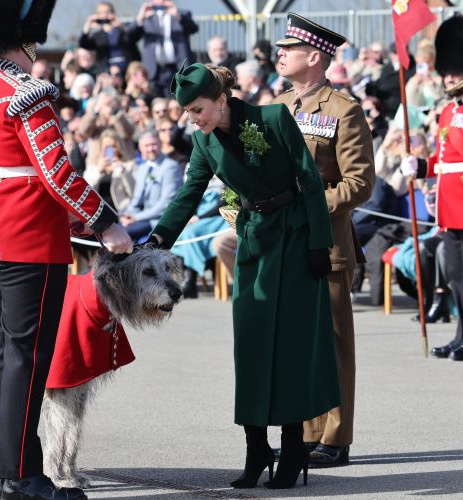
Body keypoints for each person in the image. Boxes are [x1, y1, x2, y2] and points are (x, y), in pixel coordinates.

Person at [0, 2, 131, 499]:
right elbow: (55, 173)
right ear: (25, 39)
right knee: (27, 357)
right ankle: (22, 478)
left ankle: (8, 473)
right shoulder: (24, 94)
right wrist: (105, 222)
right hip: (27, 238)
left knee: (6, 354)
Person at [147, 62, 340, 490]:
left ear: (220, 100)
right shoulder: (204, 143)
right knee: (251, 349)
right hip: (254, 240)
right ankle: (256, 449)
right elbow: (188, 194)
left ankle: (292, 449)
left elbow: (308, 179)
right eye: (188, 113)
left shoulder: (272, 117)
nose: (193, 119)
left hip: (295, 236)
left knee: (290, 348)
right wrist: (159, 239)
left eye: (198, 109)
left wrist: (319, 245)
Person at [271, 12, 375, 468]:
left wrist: (307, 201)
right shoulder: (276, 108)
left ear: (314, 57)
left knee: (332, 342)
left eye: (288, 50)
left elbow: (359, 183)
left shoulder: (343, 110)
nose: (279, 55)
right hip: (285, 244)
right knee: (298, 342)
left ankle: (336, 436)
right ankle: (307, 433)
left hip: (326, 242)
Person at [400, 15, 463, 362]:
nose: (448, 77)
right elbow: (446, 161)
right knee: (457, 275)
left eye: (454, 71)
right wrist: (421, 166)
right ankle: (461, 334)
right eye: (446, 71)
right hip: (449, 205)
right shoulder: (446, 113)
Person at [119, 132, 183, 241]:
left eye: (153, 144)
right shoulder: (142, 168)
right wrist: (127, 215)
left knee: (122, 235)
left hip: (158, 219)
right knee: (113, 229)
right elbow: (136, 199)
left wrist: (135, 218)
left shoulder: (170, 167)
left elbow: (165, 204)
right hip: (141, 216)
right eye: (146, 146)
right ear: (140, 148)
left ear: (160, 144)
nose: (150, 149)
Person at [129, 0, 198, 95]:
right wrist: (140, 18)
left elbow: (193, 29)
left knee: (177, 100)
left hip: (176, 68)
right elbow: (130, 36)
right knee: (156, 102)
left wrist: (178, 16)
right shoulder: (147, 15)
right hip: (153, 69)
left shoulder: (182, 13)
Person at [78, 2, 138, 74]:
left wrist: (120, 26)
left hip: (126, 70)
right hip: (106, 71)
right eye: (101, 13)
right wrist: (88, 24)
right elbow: (83, 44)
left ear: (112, 13)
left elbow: (133, 38)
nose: (104, 15)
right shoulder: (98, 35)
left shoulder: (121, 31)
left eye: (107, 12)